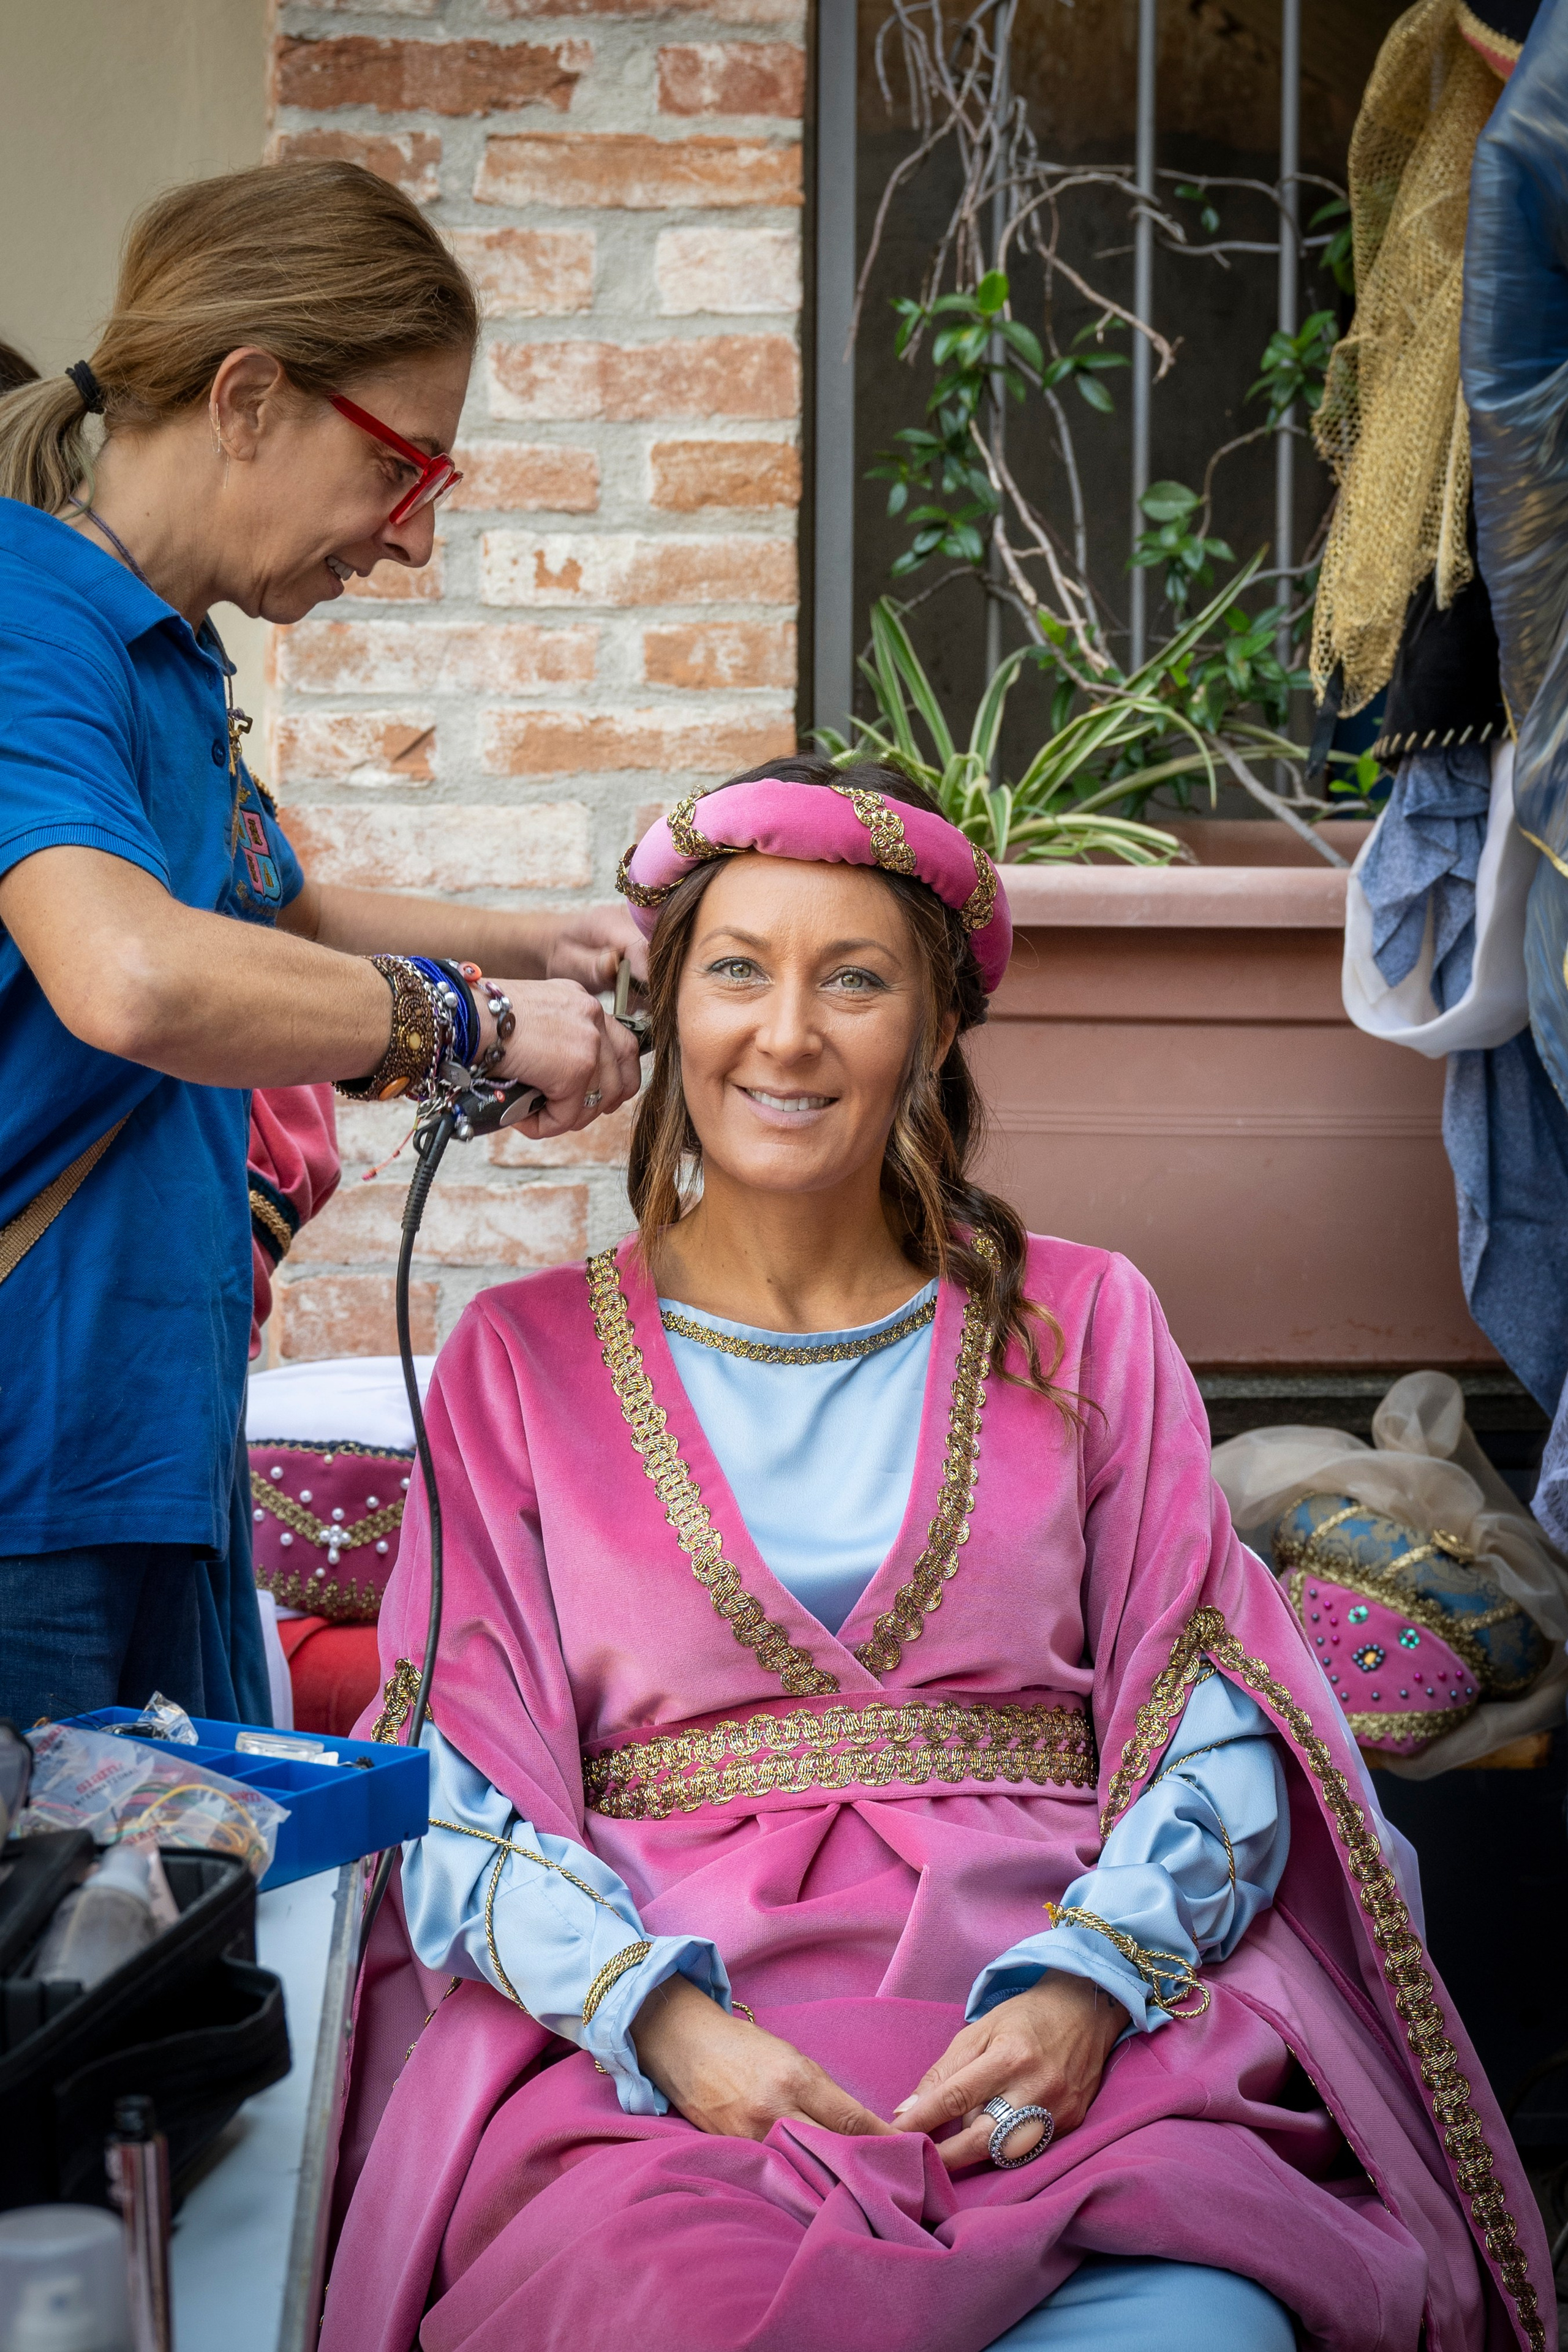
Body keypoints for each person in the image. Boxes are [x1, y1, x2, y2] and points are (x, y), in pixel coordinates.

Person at [324, 759, 1549, 2352]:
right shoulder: (518, 1362)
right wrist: (673, 2028)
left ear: (937, 1027)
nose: (787, 1034)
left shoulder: (1088, 1325)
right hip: (662, 2086)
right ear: (667, 1007)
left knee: (1202, 2328)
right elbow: (459, 1791)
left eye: (855, 980)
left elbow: (1217, 1713)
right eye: (738, 971)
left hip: (1071, 2053)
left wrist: (1089, 1988)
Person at [0, 162, 643, 1732]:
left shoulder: (163, 651)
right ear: (248, 397)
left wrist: (531, 942)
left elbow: (267, 913)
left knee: (173, 1953)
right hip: (32, 1468)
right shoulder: (26, 618)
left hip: (144, 1448)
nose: (408, 544)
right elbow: (132, 971)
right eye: (403, 472)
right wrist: (471, 1029)